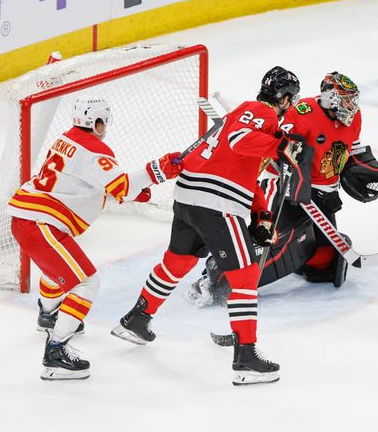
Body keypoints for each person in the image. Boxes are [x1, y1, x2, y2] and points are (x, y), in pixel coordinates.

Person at [111, 67, 304, 386]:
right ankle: (245, 358)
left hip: (189, 197)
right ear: (283, 98)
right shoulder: (259, 112)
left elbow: (241, 168)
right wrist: (280, 147)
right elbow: (241, 142)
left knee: (177, 262)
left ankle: (137, 319)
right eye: (291, 99)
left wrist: (261, 215)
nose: (291, 105)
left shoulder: (243, 118)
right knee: (244, 277)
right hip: (216, 202)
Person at [8, 97, 183, 380]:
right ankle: (55, 352)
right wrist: (159, 170)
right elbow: (120, 185)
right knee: (86, 282)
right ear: (98, 122)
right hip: (41, 224)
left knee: (59, 272)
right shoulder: (93, 150)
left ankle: (49, 316)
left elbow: (88, 183)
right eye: (103, 121)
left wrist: (129, 190)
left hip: (28, 220)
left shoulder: (67, 139)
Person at [183, 72, 378, 305]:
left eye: (353, 100)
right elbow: (276, 149)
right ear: (330, 98)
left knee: (321, 260)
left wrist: (360, 168)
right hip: (289, 186)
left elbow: (350, 148)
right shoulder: (302, 114)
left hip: (324, 192)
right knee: (268, 240)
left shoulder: (354, 117)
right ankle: (214, 279)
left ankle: (259, 268)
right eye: (345, 100)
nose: (351, 106)